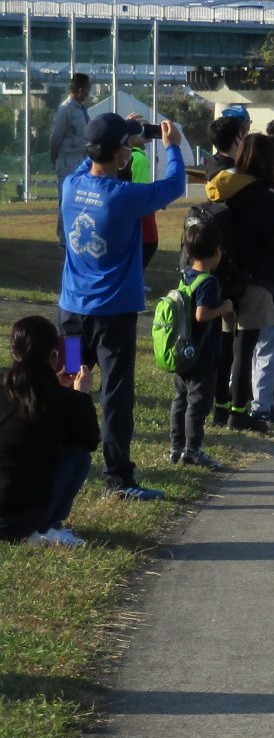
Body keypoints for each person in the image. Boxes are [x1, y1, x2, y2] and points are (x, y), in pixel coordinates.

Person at [58, 114, 188, 499]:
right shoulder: (124, 198)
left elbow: (91, 163)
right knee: (115, 396)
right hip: (112, 316)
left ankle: (56, 457)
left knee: (66, 380)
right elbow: (174, 185)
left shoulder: (71, 185)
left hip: (70, 312)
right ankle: (118, 479)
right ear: (120, 154)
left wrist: (119, 137)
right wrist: (173, 145)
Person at [204, 131, 274, 432]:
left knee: (225, 347)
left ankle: (219, 407)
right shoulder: (265, 199)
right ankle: (239, 412)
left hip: (224, 275)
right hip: (254, 277)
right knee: (246, 348)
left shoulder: (223, 188)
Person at [0, 316, 99, 545]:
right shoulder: (66, 401)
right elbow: (90, 441)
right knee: (79, 455)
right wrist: (81, 396)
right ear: (54, 356)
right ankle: (47, 523)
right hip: (21, 518)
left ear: (14, 351)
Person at [167, 218, 231, 467]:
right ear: (216, 252)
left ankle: (176, 447)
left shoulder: (185, 276)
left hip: (183, 349)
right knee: (199, 403)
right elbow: (201, 314)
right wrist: (224, 307)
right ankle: (193, 449)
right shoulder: (209, 282)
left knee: (180, 400)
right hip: (202, 352)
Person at [47, 74, 92, 179]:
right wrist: (55, 159)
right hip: (68, 163)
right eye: (88, 89)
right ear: (81, 90)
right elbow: (56, 137)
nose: (89, 93)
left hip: (82, 160)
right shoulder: (65, 109)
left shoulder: (82, 109)